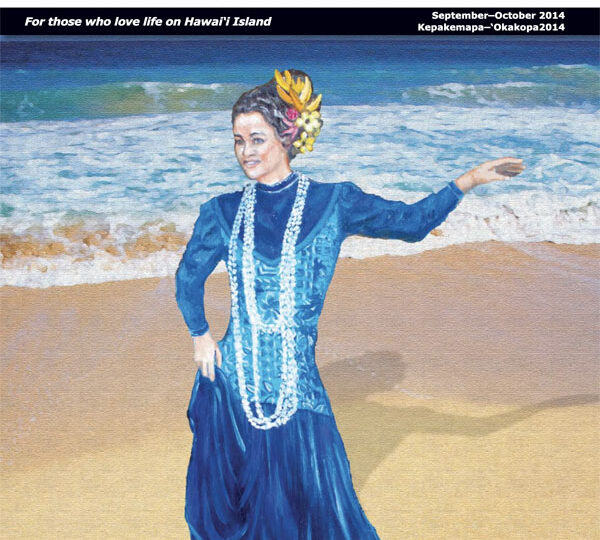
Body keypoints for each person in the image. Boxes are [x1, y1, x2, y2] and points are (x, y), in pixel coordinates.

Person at [175, 68, 525, 540]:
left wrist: (467, 181)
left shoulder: (335, 202)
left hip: (299, 393)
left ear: (287, 135)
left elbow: (411, 223)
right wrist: (200, 335)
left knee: (319, 515)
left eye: (257, 139)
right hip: (233, 390)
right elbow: (188, 277)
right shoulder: (221, 211)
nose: (246, 152)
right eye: (238, 141)